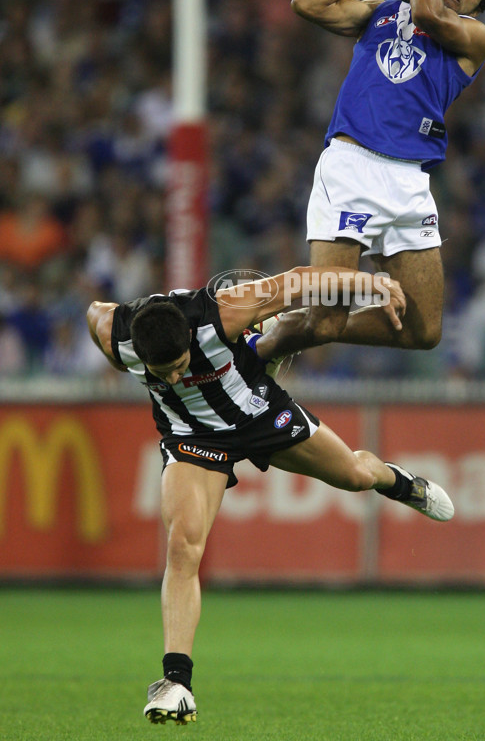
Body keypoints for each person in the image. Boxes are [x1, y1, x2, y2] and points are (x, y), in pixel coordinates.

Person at [87, 264, 454, 725]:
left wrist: (369, 283)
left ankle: (399, 482)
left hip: (259, 413)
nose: (176, 378)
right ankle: (176, 682)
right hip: (192, 437)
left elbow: (300, 279)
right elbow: (94, 312)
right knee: (183, 547)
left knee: (356, 477)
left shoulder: (222, 314)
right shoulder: (116, 335)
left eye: (180, 366)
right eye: (164, 373)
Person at [256, 0, 485, 365]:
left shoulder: (474, 39)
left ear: (477, 8)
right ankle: (265, 338)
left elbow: (429, 12)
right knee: (325, 320)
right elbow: (307, 4)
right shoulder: (382, 13)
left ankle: (284, 332)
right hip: (353, 168)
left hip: (409, 182)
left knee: (424, 330)